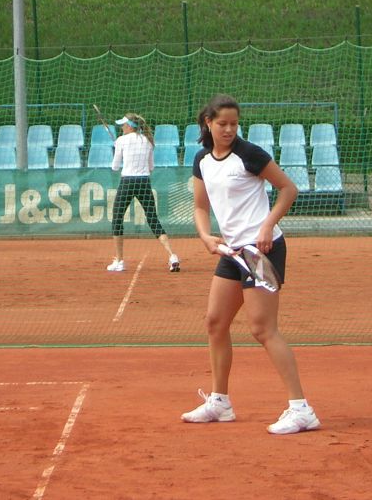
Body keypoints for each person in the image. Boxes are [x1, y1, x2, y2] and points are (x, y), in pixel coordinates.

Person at [181, 94, 320, 435]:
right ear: (208, 124)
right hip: (232, 253)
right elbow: (200, 206)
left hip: (262, 251)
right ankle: (219, 402)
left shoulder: (250, 155)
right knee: (215, 323)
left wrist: (267, 225)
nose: (229, 129)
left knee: (262, 329)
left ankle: (301, 409)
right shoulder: (202, 160)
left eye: (233, 124)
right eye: (222, 124)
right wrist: (205, 236)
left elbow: (288, 189)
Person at [107, 112, 180, 273]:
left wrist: (118, 148)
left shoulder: (121, 140)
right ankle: (172, 255)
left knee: (117, 219)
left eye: (123, 125)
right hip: (144, 181)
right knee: (153, 218)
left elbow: (115, 167)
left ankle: (119, 261)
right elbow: (151, 167)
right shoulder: (147, 141)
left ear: (129, 126)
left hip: (127, 182)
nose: (121, 127)